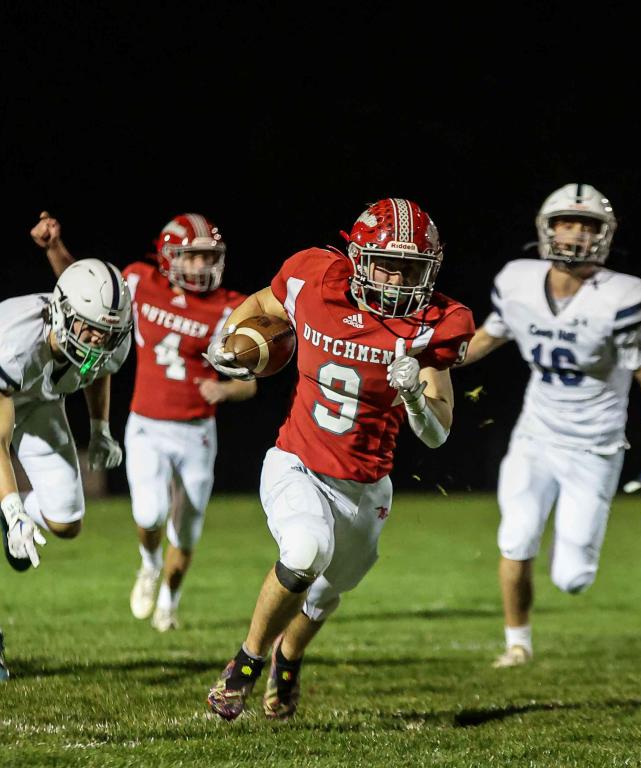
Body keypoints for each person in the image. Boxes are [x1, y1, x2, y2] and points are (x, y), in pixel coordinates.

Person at [202, 198, 474, 720]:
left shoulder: (439, 323)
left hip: (366, 486)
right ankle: (244, 665)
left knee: (326, 594)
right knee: (305, 550)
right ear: (357, 258)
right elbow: (262, 304)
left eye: (410, 270)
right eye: (387, 264)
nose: (396, 281)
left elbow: (438, 434)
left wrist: (416, 397)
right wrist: (226, 341)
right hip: (296, 461)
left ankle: (288, 657)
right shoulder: (312, 276)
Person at [458, 183, 641, 668]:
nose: (576, 234)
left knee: (573, 578)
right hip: (535, 437)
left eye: (588, 225)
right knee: (515, 538)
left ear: (604, 235)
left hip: (595, 448)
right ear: (546, 227)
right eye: (566, 222)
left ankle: (573, 539)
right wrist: (426, 358)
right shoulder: (518, 282)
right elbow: (482, 341)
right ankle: (518, 643)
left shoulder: (619, 296)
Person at [32, 211, 256, 632]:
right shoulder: (138, 282)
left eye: (209, 257)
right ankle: (150, 565)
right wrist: (53, 248)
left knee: (186, 531)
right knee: (150, 514)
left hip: (197, 432)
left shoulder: (229, 307)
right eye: (194, 257)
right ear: (169, 255)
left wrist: (226, 390)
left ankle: (169, 601)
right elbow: (81, 289)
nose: (203, 266)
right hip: (147, 425)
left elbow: (250, 383)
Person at [0, 258, 132, 681]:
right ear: (62, 313)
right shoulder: (14, 342)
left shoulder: (106, 339)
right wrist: (10, 507)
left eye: (110, 333)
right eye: (92, 329)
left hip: (38, 399)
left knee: (67, 519)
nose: (100, 341)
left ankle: (21, 517)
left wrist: (100, 428)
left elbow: (98, 368)